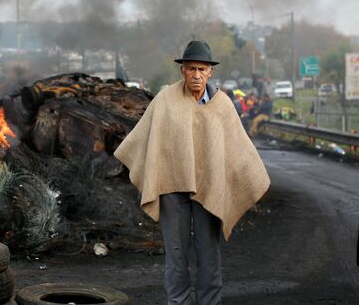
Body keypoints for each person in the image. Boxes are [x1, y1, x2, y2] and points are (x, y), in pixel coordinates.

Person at [114, 40, 270, 305]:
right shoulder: (165, 100)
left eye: (201, 69)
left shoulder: (222, 105)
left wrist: (251, 179)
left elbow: (237, 148)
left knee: (209, 254)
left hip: (209, 188)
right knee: (176, 256)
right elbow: (145, 139)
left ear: (210, 72)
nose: (196, 75)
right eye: (191, 69)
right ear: (182, 71)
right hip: (171, 186)